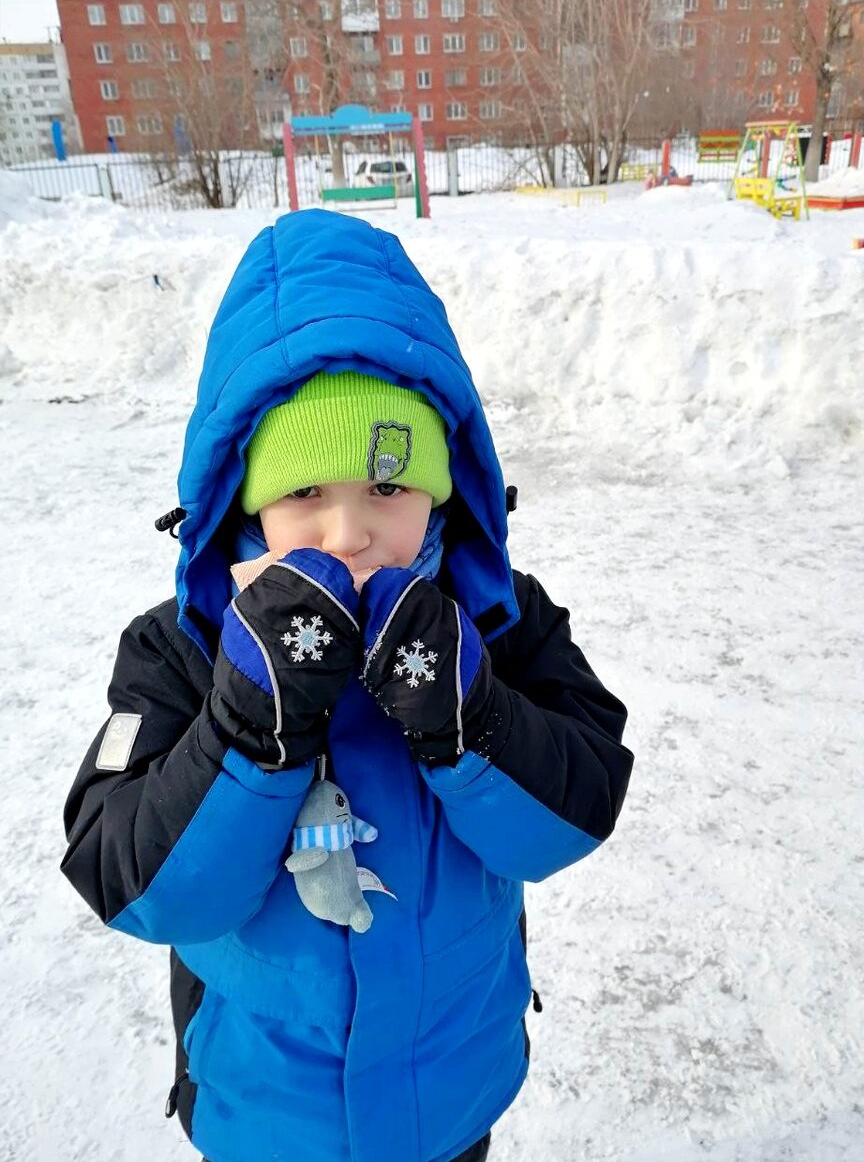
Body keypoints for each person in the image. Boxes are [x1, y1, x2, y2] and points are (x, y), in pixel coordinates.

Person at [61, 208, 633, 1162]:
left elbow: (578, 808)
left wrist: (471, 720)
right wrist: (245, 731)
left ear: (445, 492)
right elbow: (133, 883)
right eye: (303, 495)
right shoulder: (183, 649)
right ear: (242, 498)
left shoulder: (495, 620)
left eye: (387, 489)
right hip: (268, 1114)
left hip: (452, 1096)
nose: (347, 533)